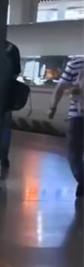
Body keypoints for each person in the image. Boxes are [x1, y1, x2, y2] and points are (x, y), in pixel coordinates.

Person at [47, 56, 84, 199]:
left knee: (74, 152)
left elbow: (60, 87)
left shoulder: (75, 64)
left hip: (77, 116)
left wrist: (53, 108)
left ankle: (82, 179)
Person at [0, 40, 22, 175]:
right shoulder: (12, 49)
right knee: (4, 129)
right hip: (5, 98)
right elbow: (16, 72)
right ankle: (3, 159)